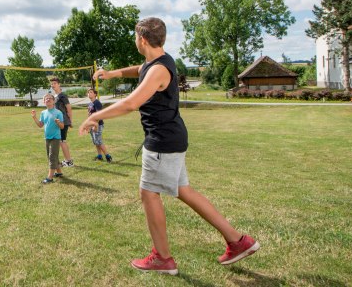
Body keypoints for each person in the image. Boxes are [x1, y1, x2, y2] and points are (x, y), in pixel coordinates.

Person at [79, 17, 259, 275]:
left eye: (134, 37)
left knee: (148, 193)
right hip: (171, 138)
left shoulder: (158, 70)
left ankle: (162, 258)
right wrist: (114, 73)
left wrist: (96, 115)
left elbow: (131, 103)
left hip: (162, 142)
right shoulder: (158, 62)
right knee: (183, 191)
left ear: (142, 39)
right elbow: (138, 69)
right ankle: (238, 241)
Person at [31, 93, 64, 184]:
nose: (48, 100)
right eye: (46, 99)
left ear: (54, 101)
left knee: (52, 156)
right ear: (44, 101)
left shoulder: (58, 112)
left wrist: (58, 123)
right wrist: (34, 118)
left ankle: (50, 178)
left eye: (50, 98)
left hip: (55, 138)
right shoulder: (43, 112)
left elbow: (62, 126)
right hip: (47, 138)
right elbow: (40, 125)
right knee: (52, 155)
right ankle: (59, 172)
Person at [50, 77, 74, 167]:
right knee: (60, 141)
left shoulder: (62, 95)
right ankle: (67, 160)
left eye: (55, 83)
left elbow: (68, 108)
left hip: (64, 122)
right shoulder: (55, 96)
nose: (53, 85)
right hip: (58, 122)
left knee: (62, 141)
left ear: (59, 84)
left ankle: (69, 161)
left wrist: (70, 121)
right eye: (52, 84)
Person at [86, 88, 112, 163]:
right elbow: (89, 115)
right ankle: (99, 156)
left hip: (97, 125)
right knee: (95, 141)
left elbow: (99, 115)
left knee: (99, 141)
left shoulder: (97, 103)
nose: (89, 94)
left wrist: (95, 125)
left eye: (91, 92)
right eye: (88, 92)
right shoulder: (90, 103)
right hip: (91, 125)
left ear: (95, 94)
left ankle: (108, 156)